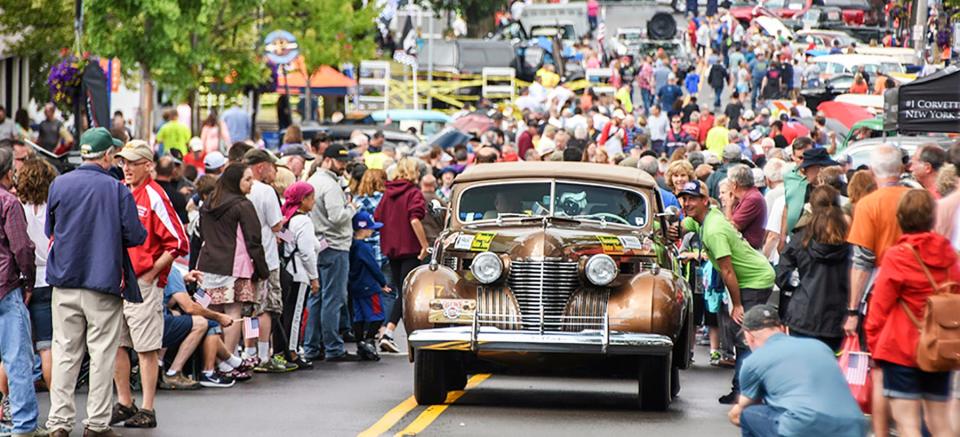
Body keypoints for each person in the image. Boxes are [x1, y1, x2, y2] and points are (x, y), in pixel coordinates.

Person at [45, 128, 147, 437]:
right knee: (102, 353)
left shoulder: (59, 184)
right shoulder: (117, 190)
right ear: (105, 155)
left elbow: (51, 229)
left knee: (64, 352)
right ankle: (97, 423)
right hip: (102, 280)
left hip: (64, 279)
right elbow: (135, 235)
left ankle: (59, 423)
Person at [865, 189, 959, 437]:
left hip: (902, 347)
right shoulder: (949, 255)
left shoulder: (898, 255)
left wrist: (875, 345)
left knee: (908, 424)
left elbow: (879, 306)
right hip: (940, 346)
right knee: (940, 422)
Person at [110, 140, 189, 428]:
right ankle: (125, 402)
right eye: (123, 162)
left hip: (142, 282)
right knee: (118, 344)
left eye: (132, 162)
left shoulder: (155, 195)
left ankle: (147, 408)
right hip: (119, 279)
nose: (126, 168)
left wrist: (153, 272)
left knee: (145, 347)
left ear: (148, 165)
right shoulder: (124, 191)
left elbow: (179, 241)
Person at [677, 180, 775, 405]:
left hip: (755, 280)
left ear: (705, 201)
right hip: (750, 276)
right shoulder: (705, 217)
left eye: (692, 198)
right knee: (741, 334)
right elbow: (685, 225)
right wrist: (674, 224)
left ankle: (744, 392)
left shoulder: (713, 230)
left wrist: (737, 304)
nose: (687, 203)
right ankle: (744, 388)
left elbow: (728, 271)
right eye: (685, 198)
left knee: (744, 336)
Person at [845, 144, 909, 437]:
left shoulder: (868, 205)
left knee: (879, 365)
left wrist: (852, 309)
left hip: (880, 293)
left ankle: (883, 431)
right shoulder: (919, 199)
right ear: (903, 169)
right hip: (919, 292)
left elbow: (862, 261)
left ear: (872, 172)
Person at [727, 305, 868, 436]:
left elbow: (744, 405)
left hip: (804, 425)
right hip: (853, 424)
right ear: (783, 329)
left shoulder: (753, 361)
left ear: (749, 336)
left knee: (745, 414)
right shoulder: (819, 346)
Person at [196, 164, 269, 373]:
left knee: (212, 315)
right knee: (234, 314)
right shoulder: (243, 205)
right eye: (247, 179)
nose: (251, 182)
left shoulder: (208, 204)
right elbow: (253, 240)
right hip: (236, 265)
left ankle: (212, 361)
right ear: (235, 181)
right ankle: (228, 359)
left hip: (208, 264)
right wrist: (262, 269)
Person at [0, 147, 43, 437]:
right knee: (17, 359)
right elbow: (22, 248)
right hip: (5, 286)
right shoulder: (9, 202)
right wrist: (28, 280)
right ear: (9, 172)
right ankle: (24, 424)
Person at [775, 185, 849, 351]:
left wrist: (795, 280)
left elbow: (782, 276)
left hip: (803, 314)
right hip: (837, 317)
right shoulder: (849, 242)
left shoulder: (801, 240)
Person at [305, 144, 359, 362]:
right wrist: (352, 208)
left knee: (316, 297)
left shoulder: (312, 182)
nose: (343, 165)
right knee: (333, 298)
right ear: (327, 160)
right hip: (335, 245)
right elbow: (337, 217)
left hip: (317, 244)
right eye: (339, 161)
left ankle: (312, 346)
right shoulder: (331, 185)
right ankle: (333, 347)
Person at [241, 149, 292, 372]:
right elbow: (276, 225)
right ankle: (263, 355)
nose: (275, 171)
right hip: (266, 258)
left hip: (242, 258)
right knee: (266, 309)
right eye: (272, 166)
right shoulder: (265, 191)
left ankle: (248, 352)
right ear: (261, 167)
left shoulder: (237, 188)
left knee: (248, 310)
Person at [374, 158, 429, 353]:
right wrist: (425, 245)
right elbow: (415, 220)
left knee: (400, 291)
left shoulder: (388, 193)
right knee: (406, 293)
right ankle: (389, 332)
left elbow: (377, 216)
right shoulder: (414, 193)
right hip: (410, 248)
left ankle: (398, 334)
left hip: (391, 249)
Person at [16, 158, 58, 396]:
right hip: (49, 278)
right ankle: (56, 406)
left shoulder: (16, 207)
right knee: (47, 345)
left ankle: (7, 403)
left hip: (23, 279)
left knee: (16, 346)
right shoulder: (52, 208)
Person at [278, 181, 320, 369]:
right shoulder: (304, 220)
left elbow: (290, 242)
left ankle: (282, 349)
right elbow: (306, 251)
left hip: (288, 270)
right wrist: (314, 277)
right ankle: (292, 352)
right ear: (303, 200)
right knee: (295, 314)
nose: (314, 201)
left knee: (286, 312)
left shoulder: (288, 218)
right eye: (311, 197)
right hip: (299, 273)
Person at [349, 211, 389, 361]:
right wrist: (382, 282)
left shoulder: (351, 245)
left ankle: (360, 342)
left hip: (355, 286)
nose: (372, 231)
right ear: (363, 229)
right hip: (369, 286)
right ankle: (369, 340)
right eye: (370, 228)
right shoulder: (364, 248)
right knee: (378, 315)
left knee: (359, 315)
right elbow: (372, 266)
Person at [726, 164, 766, 250]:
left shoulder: (752, 199)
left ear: (734, 185)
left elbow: (731, 228)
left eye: (728, 182)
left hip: (750, 251)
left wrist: (728, 206)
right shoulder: (747, 197)